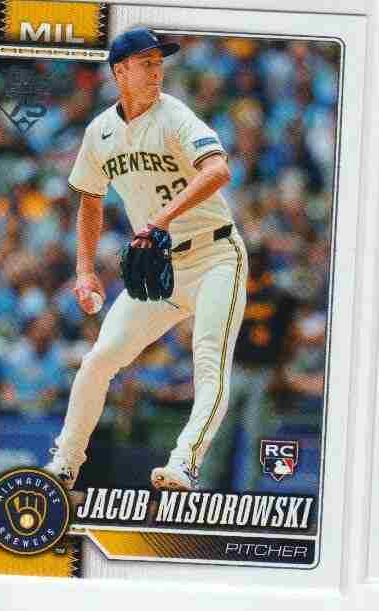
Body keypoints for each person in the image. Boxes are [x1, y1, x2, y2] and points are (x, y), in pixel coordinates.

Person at [45, 27, 248, 491]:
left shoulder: (174, 116)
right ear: (120, 71)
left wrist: (159, 219)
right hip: (162, 266)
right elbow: (90, 200)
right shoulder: (100, 132)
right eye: (146, 64)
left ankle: (184, 463)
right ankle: (65, 463)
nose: (157, 72)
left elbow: (219, 170)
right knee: (100, 359)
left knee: (209, 362)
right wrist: (84, 270)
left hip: (216, 255)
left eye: (159, 63)